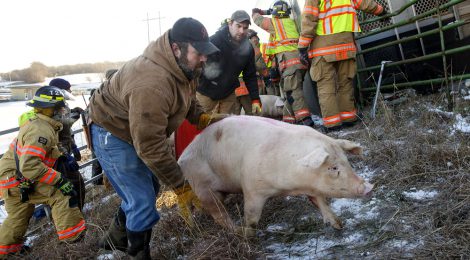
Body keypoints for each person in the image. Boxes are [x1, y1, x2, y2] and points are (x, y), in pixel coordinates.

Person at [88, 17, 224, 259]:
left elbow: (186, 95)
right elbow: (150, 146)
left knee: (148, 186)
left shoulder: (184, 66)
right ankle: (137, 254)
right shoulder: (151, 83)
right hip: (111, 129)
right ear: (176, 48)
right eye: (199, 52)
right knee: (142, 199)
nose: (204, 58)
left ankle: (114, 241)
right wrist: (181, 185)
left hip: (134, 124)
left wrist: (200, 117)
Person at [0, 86, 86, 258]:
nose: (64, 110)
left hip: (13, 178)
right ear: (51, 109)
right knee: (62, 193)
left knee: (18, 216)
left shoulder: (43, 124)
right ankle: (73, 242)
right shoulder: (40, 130)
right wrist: (59, 180)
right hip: (18, 178)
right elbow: (30, 165)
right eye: (61, 107)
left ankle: (6, 252)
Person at [298, 0, 387, 131]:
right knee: (345, 82)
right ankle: (349, 118)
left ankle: (332, 124)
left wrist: (303, 46)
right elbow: (365, 3)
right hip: (346, 45)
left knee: (326, 85)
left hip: (324, 48)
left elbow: (309, 18)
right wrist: (382, 11)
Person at [252, 1, 314, 126]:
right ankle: (289, 121)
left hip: (289, 63)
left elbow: (257, 19)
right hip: (301, 62)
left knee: (293, 91)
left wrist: (260, 11)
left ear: (274, 12)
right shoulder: (292, 22)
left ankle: (305, 119)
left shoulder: (274, 24)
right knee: (288, 92)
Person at [197, 10, 262, 115]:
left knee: (226, 125)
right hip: (206, 93)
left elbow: (250, 75)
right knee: (201, 125)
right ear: (230, 24)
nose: (241, 31)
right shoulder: (214, 41)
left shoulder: (248, 48)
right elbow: (197, 65)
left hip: (228, 94)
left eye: (245, 28)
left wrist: (255, 99)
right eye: (238, 26)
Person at [49, 78, 86, 210]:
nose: (70, 91)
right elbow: (60, 126)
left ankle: (76, 215)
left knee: (77, 186)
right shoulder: (51, 107)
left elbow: (66, 131)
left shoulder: (61, 104)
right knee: (74, 187)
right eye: (67, 89)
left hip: (65, 151)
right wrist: (65, 155)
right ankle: (74, 216)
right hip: (59, 156)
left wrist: (74, 147)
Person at [234, 29, 268, 115]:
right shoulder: (249, 45)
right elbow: (259, 63)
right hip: (246, 85)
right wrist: (266, 74)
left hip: (232, 88)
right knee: (253, 114)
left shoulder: (227, 44)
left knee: (234, 117)